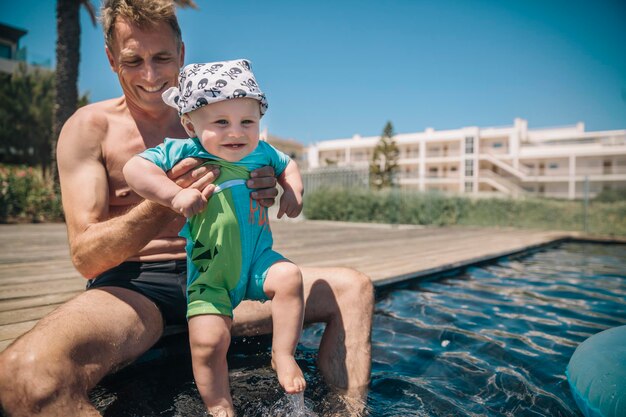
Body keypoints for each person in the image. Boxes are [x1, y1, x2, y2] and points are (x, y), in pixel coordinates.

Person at [0, 1, 373, 416]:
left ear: (181, 52)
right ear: (110, 59)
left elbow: (280, 170)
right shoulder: (90, 129)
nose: (151, 75)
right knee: (23, 377)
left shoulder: (225, 117)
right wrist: (163, 201)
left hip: (230, 275)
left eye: (162, 58)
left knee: (353, 289)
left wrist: (269, 186)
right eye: (133, 60)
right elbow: (87, 258)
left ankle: (348, 411)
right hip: (137, 288)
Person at [123, 58, 306, 415]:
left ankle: (282, 355)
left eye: (247, 121)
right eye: (221, 122)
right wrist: (173, 194)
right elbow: (135, 168)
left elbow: (290, 166)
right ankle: (220, 406)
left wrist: (293, 192)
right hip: (209, 274)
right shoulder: (186, 151)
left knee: (290, 277)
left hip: (257, 259)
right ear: (190, 124)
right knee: (207, 343)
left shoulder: (261, 153)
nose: (236, 132)